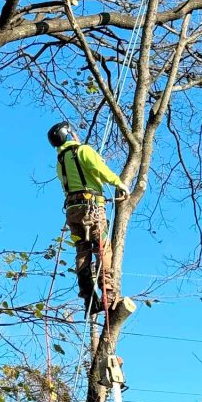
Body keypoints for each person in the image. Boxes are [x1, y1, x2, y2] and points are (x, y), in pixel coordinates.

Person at [47, 120, 129, 314]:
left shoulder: (60, 163)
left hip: (72, 212)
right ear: (69, 135)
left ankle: (88, 298)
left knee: (82, 253)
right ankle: (108, 293)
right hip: (91, 208)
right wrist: (119, 184)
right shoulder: (83, 151)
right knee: (103, 248)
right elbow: (100, 170)